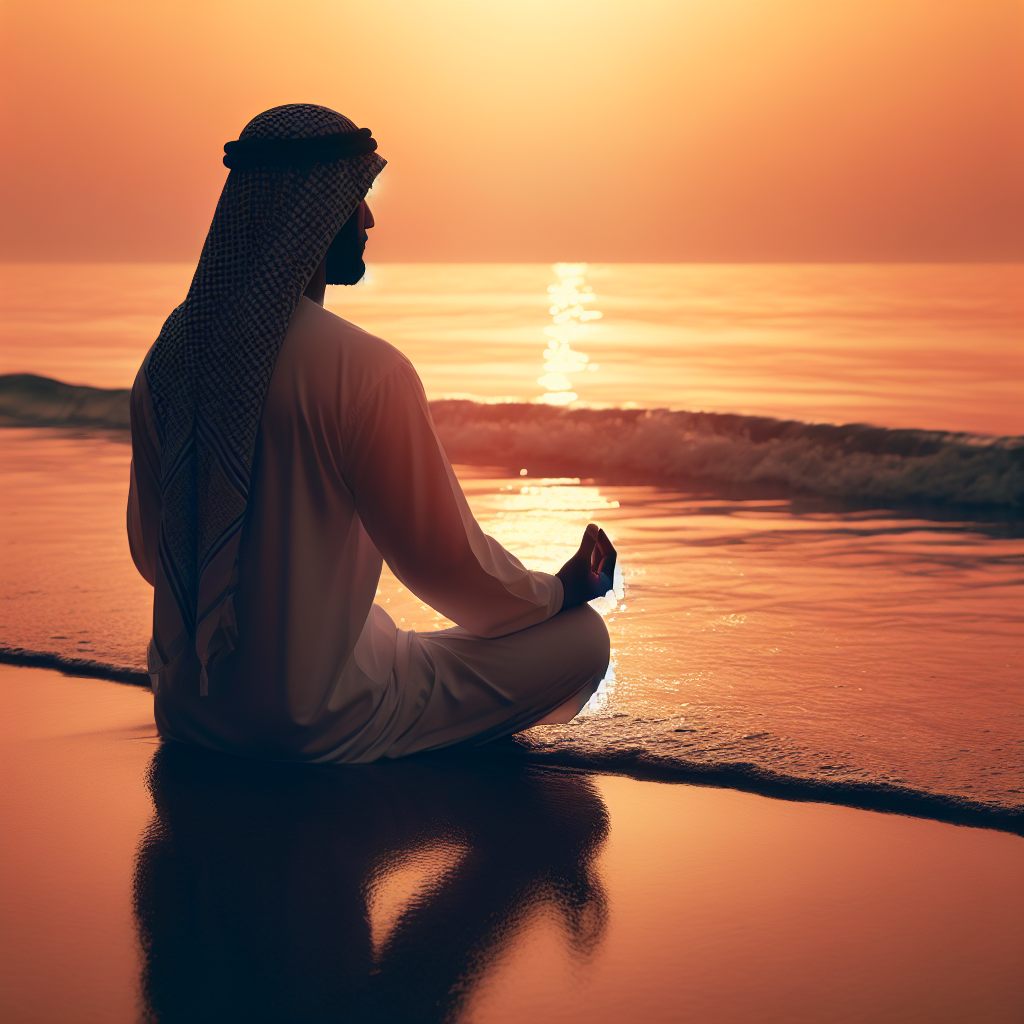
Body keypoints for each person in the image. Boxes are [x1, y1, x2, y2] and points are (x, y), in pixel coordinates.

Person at [127, 103, 614, 763]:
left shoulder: (169, 358)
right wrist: (557, 591)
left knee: (384, 638)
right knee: (584, 641)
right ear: (316, 214)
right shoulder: (366, 370)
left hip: (188, 713)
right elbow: (445, 567)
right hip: (316, 723)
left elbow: (153, 556)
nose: (369, 220)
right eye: (358, 198)